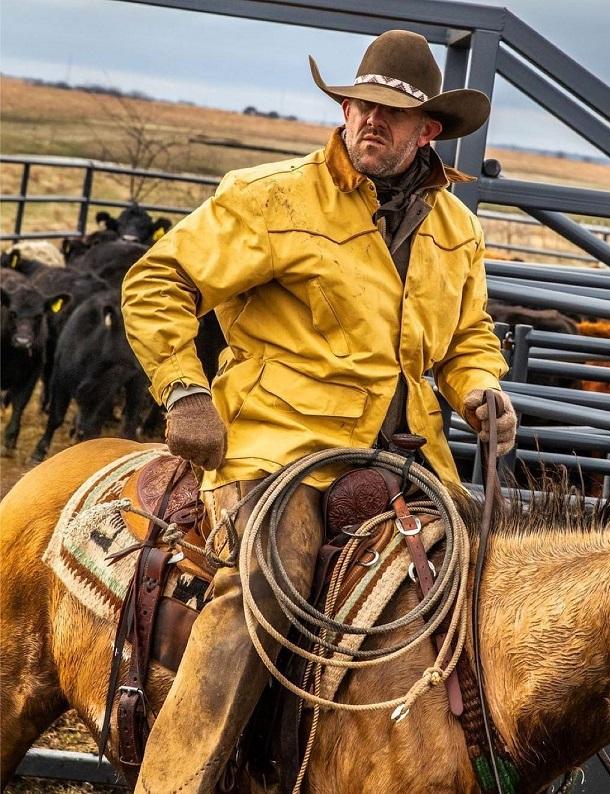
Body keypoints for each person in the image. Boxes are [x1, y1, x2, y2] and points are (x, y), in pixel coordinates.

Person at [121, 28, 516, 794]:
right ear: (343, 111)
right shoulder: (272, 197)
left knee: (493, 585)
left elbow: (467, 337)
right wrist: (186, 389)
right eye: (358, 105)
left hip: (410, 457)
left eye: (390, 112)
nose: (369, 120)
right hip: (281, 449)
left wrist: (479, 389)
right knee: (264, 593)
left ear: (428, 130)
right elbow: (158, 281)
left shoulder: (455, 229)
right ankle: (175, 782)